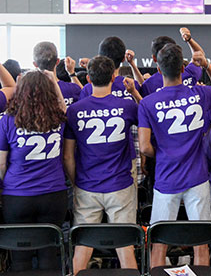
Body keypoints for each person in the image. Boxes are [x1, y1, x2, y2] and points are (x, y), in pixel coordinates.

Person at [138, 44, 211, 268]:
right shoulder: (199, 94)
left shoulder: (147, 103)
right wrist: (206, 64)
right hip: (198, 177)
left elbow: (144, 147)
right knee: (201, 243)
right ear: (182, 68)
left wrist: (161, 153)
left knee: (159, 242)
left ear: (158, 70)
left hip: (166, 178)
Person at [63, 56, 139, 275]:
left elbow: (68, 155)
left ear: (88, 79)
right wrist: (134, 92)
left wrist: (77, 182)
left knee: (83, 248)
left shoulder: (75, 110)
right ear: (114, 77)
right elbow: (149, 112)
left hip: (87, 185)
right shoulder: (127, 106)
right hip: (121, 185)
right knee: (126, 249)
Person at [0, 70, 68, 271]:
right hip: (53, 195)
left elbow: (1, 164)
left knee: (20, 255)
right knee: (48, 251)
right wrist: (54, 82)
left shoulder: (7, 120)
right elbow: (62, 106)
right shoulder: (59, 118)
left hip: (17, 196)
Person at [140, 27, 204, 97]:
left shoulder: (149, 85)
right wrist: (189, 40)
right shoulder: (189, 73)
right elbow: (199, 57)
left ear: (154, 58)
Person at [79, 37, 142, 103]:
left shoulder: (88, 89)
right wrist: (132, 63)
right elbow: (143, 104)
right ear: (123, 59)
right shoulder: (132, 86)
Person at [33, 41, 82, 106]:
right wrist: (71, 73)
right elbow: (86, 96)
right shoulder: (72, 89)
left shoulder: (29, 92)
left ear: (35, 64)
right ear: (57, 61)